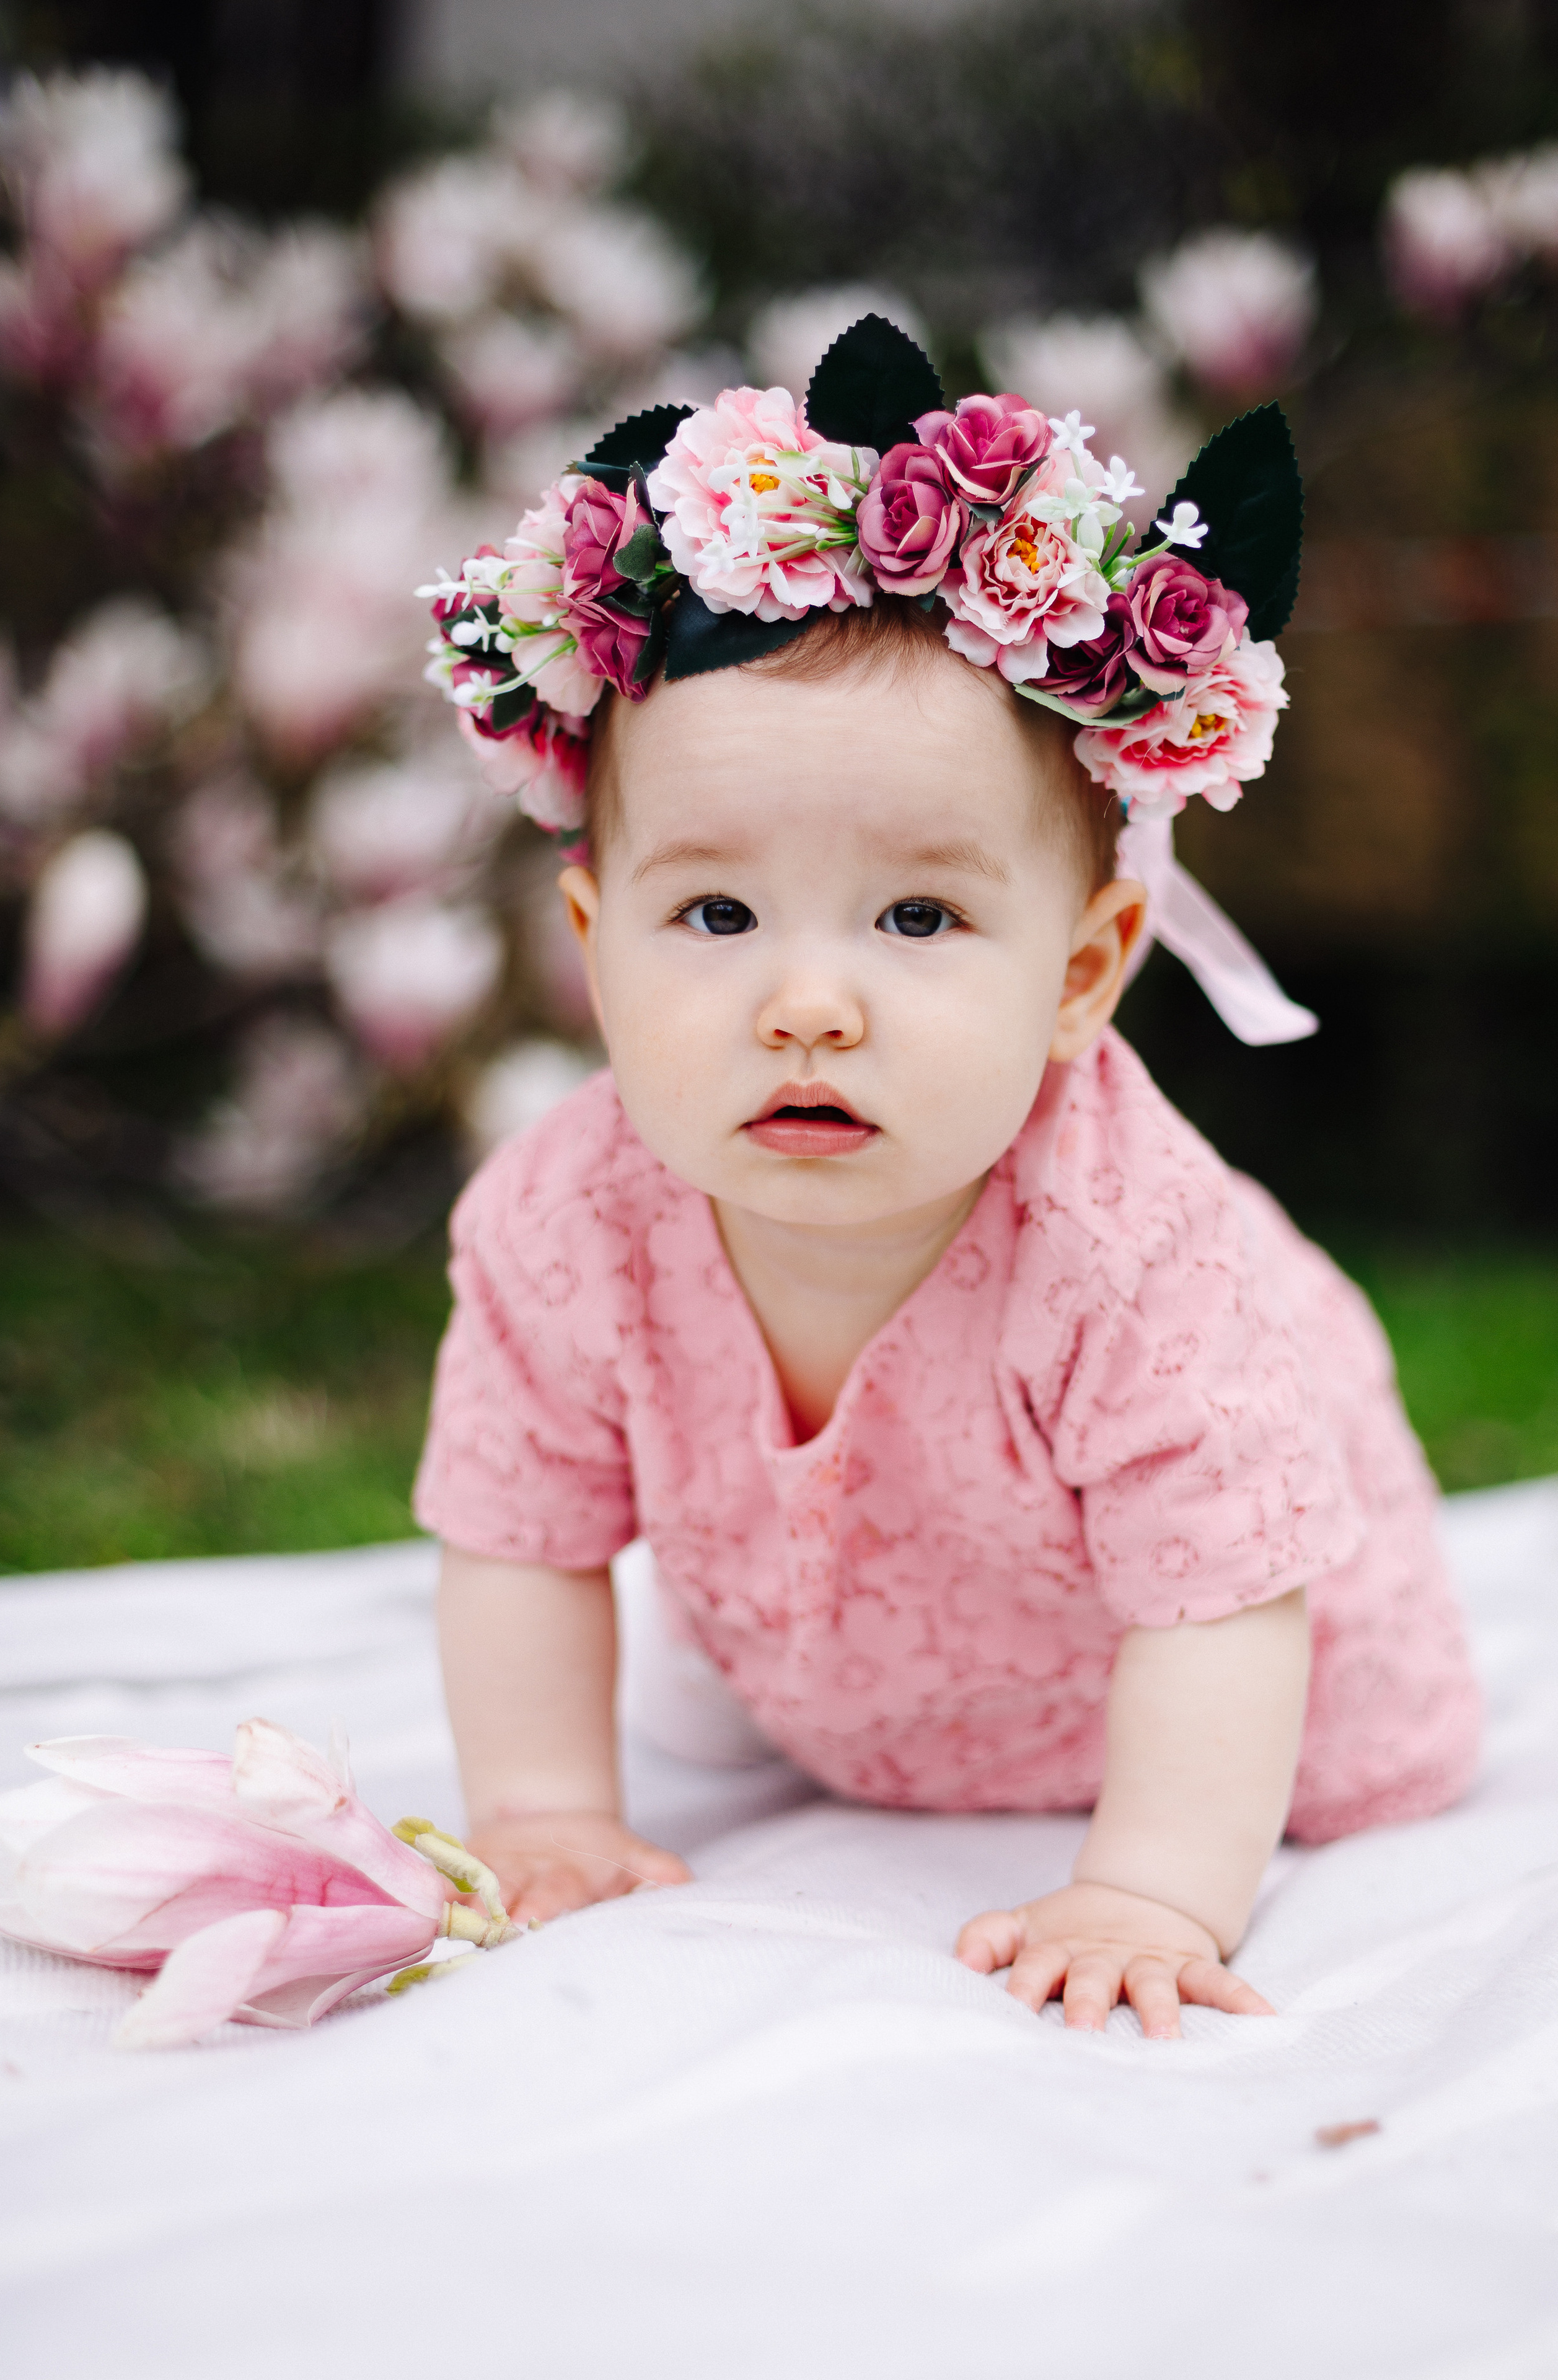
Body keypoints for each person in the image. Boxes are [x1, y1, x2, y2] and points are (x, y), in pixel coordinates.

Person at [412, 324, 1481, 2039]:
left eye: (919, 919)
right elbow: (516, 1536)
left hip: (1258, 1690)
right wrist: (543, 1809)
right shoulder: (566, 1221)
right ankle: (869, 1709)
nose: (809, 1002)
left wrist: (1149, 1888)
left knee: (1362, 1762)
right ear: (595, 947)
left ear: (1082, 969)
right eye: (714, 916)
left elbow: (1226, 1599)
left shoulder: (1126, 1247)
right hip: (872, 1688)